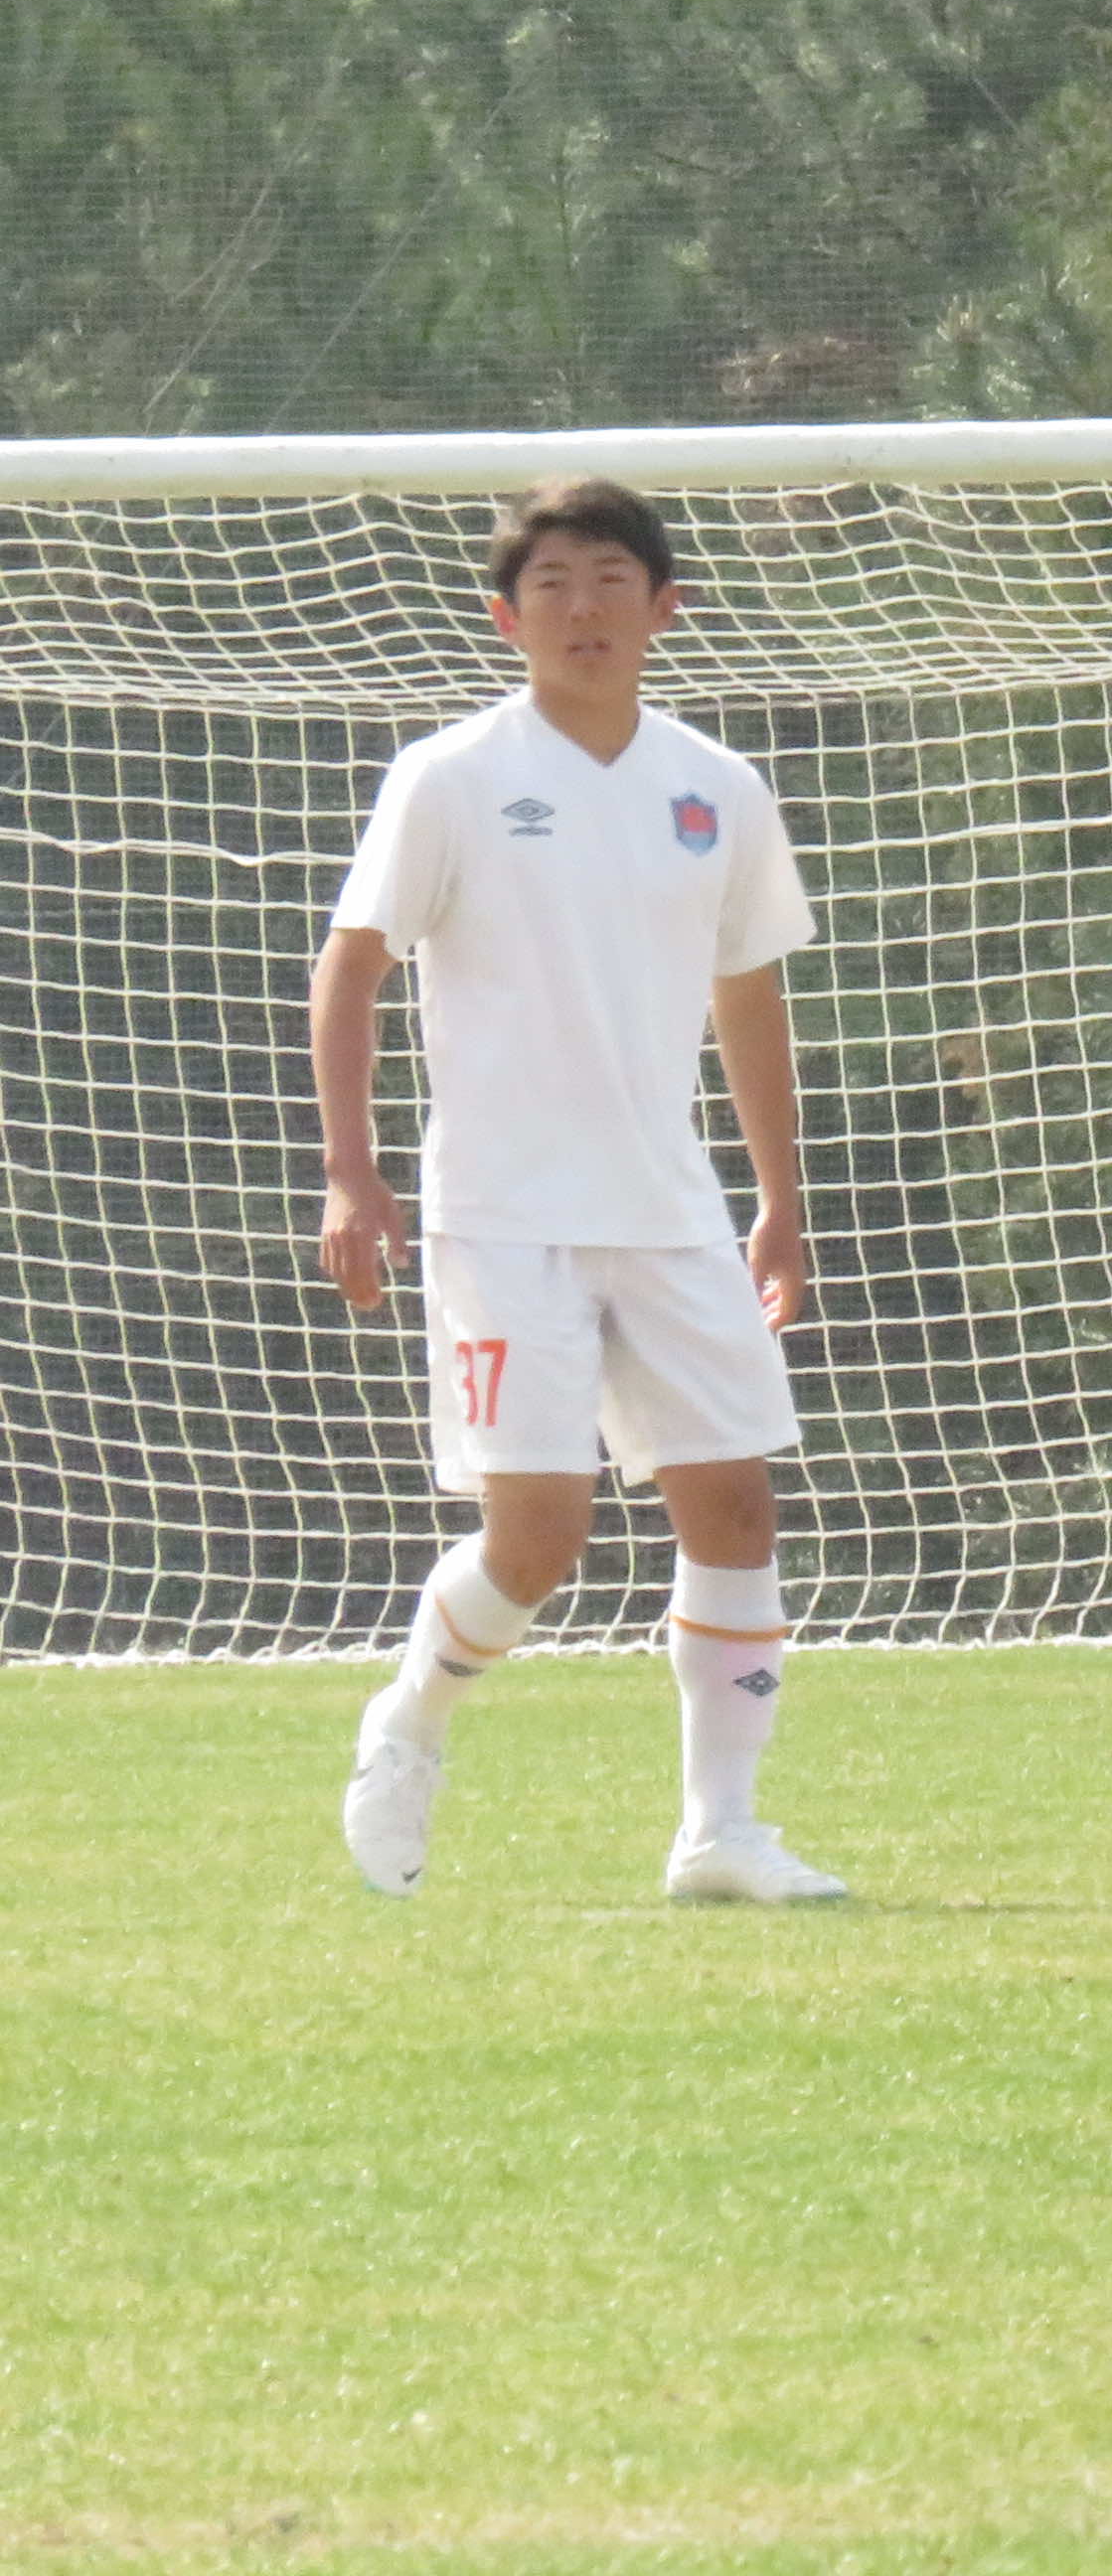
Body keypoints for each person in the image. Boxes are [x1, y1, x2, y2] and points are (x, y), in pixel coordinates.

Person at [311, 476, 840, 1905]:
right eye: (550, 583)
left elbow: (748, 990)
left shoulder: (717, 789)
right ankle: (410, 1720)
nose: (583, 608)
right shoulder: (451, 777)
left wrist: (779, 1197)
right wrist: (352, 1172)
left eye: (611, 579)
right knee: (538, 1538)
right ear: (507, 617)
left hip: (670, 1209)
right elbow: (352, 967)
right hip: (503, 1213)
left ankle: (720, 1833)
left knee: (736, 1506)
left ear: (666, 607)